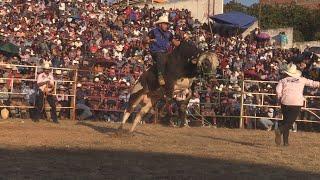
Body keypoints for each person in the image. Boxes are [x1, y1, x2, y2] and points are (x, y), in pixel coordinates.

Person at [275, 63, 320, 146]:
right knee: (289, 122)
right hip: (296, 102)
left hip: (285, 102)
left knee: (286, 121)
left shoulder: (283, 80)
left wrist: (280, 99)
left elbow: (278, 91)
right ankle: (280, 130)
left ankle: (286, 142)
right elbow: (313, 83)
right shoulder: (301, 79)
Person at [147, 14, 176, 86]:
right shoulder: (153, 31)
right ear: (160, 24)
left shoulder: (169, 34)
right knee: (160, 56)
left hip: (166, 52)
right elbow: (146, 39)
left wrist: (183, 42)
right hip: (156, 52)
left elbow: (174, 42)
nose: (167, 25)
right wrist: (150, 40)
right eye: (165, 24)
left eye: (167, 24)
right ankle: (160, 76)